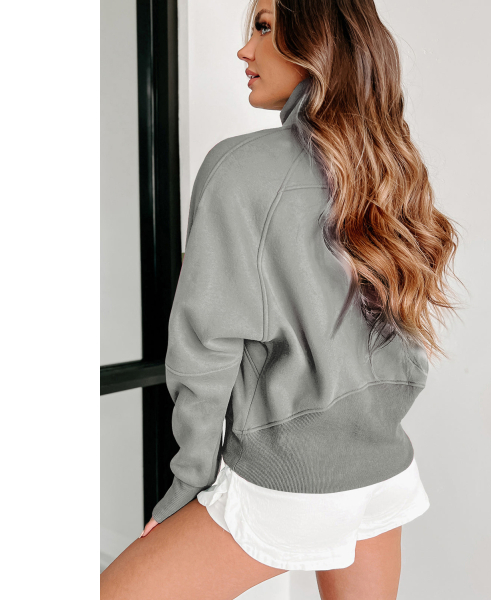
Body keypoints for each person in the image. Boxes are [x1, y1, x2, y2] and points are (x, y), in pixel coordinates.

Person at [100, 0, 462, 598]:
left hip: (290, 482)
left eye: (265, 27)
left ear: (318, 41)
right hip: (383, 468)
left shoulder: (238, 169)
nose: (246, 49)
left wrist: (187, 485)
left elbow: (205, 350)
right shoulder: (390, 165)